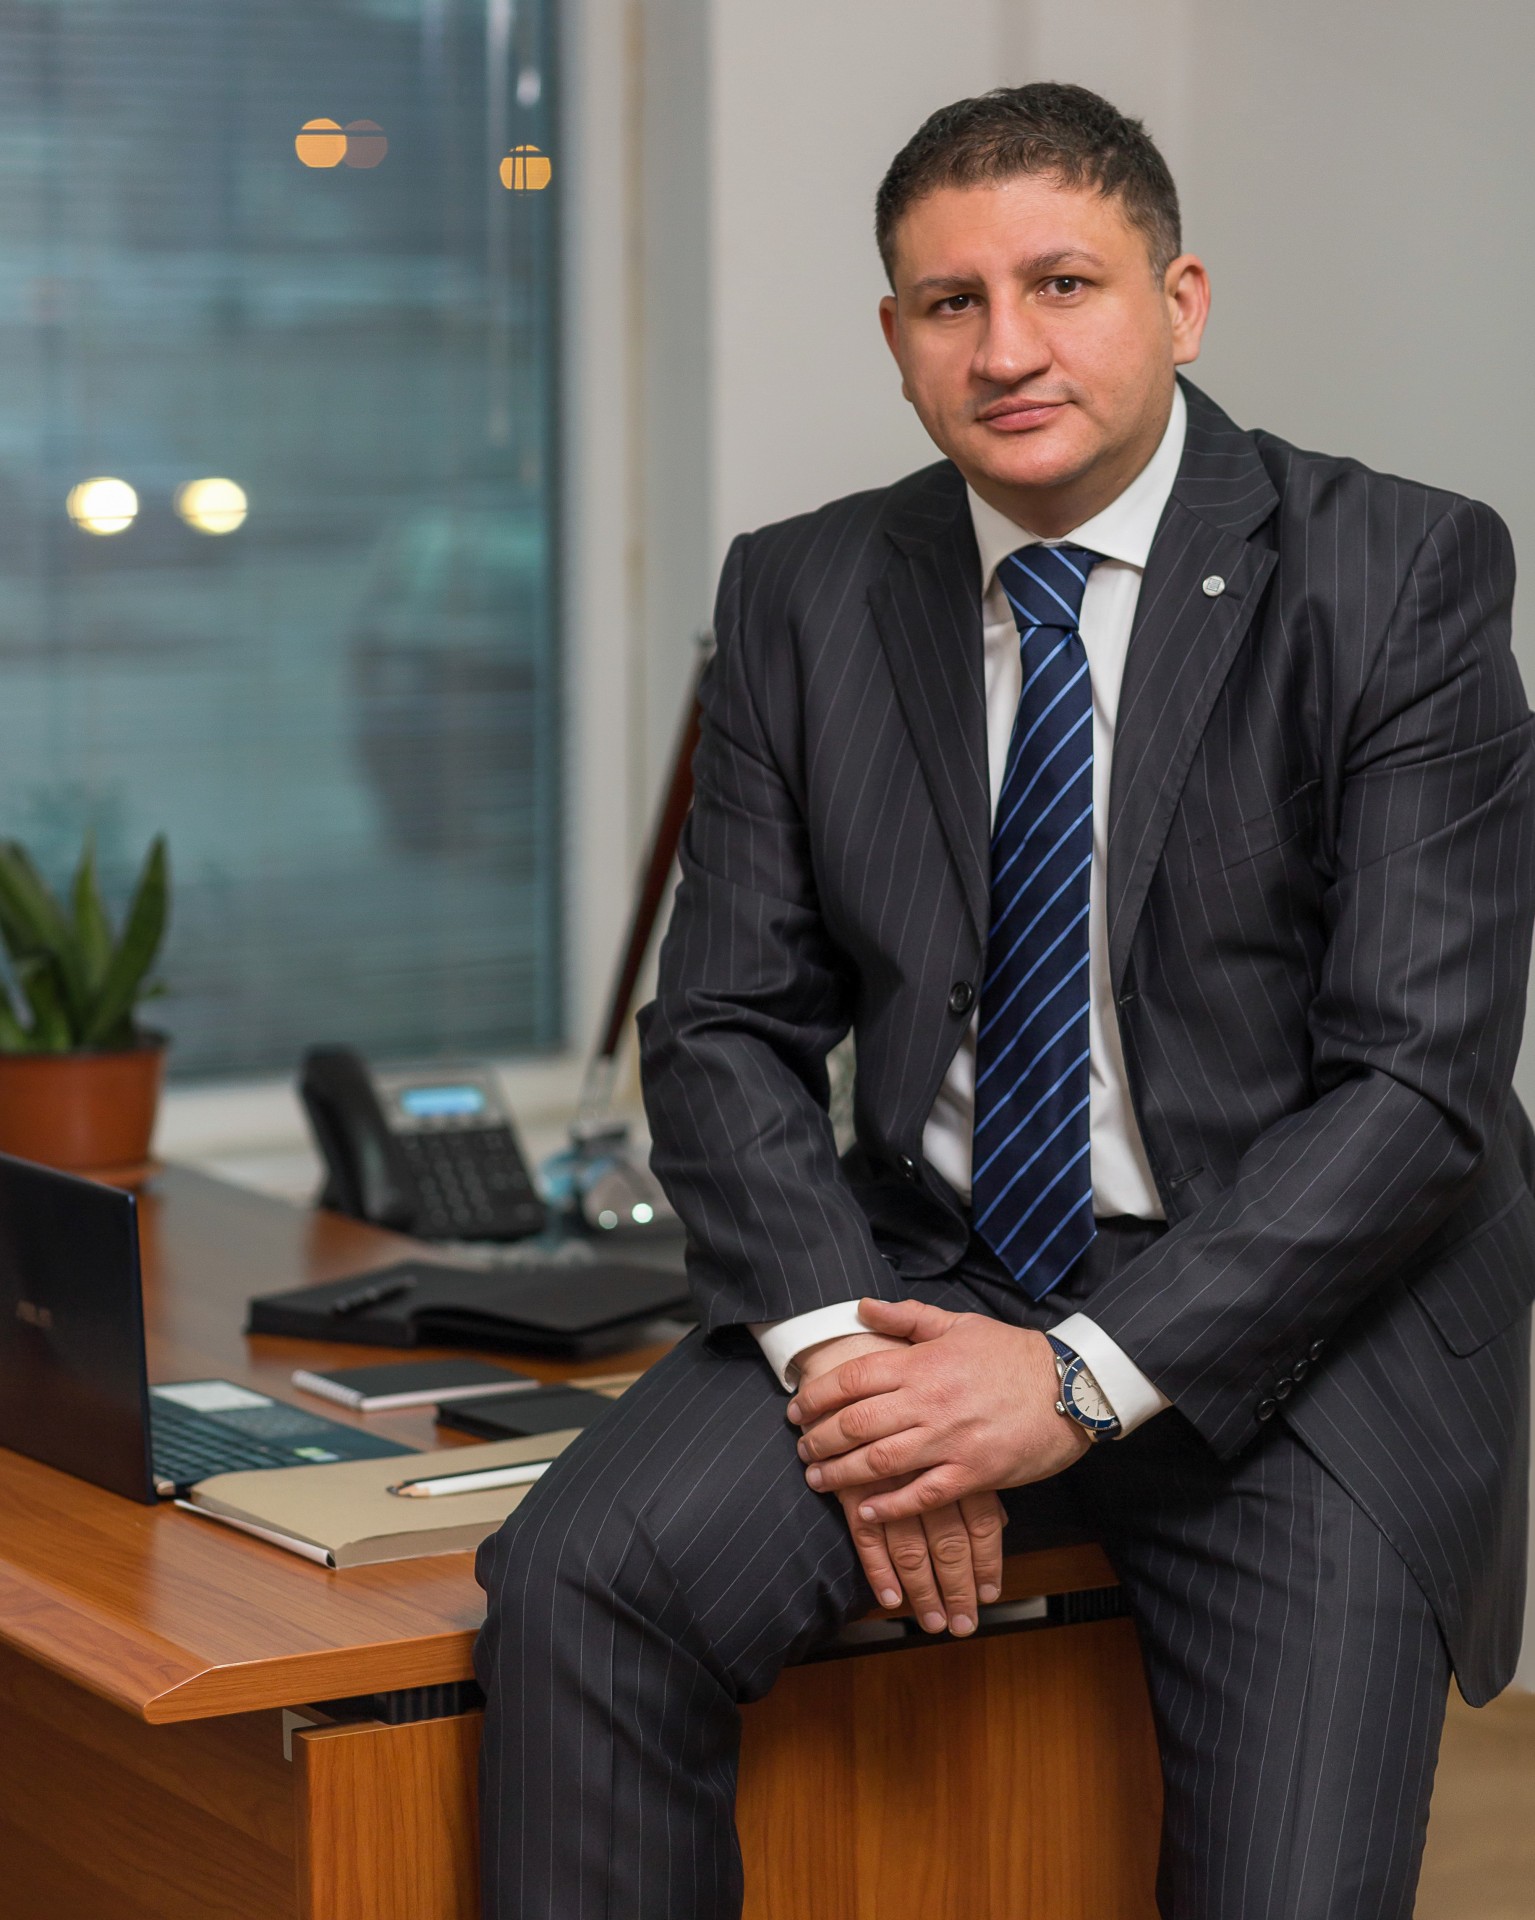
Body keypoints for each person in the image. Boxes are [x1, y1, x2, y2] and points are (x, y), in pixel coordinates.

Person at [476, 81, 1535, 1919]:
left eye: (1063, 284)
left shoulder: (1397, 571)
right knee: (585, 1582)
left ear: (1180, 302)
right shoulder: (804, 590)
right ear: (895, 338)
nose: (1008, 349)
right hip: (927, 1283)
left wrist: (1068, 1385)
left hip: (1308, 1324)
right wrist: (845, 1365)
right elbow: (721, 1027)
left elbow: (1416, 1093)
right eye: (950, 303)